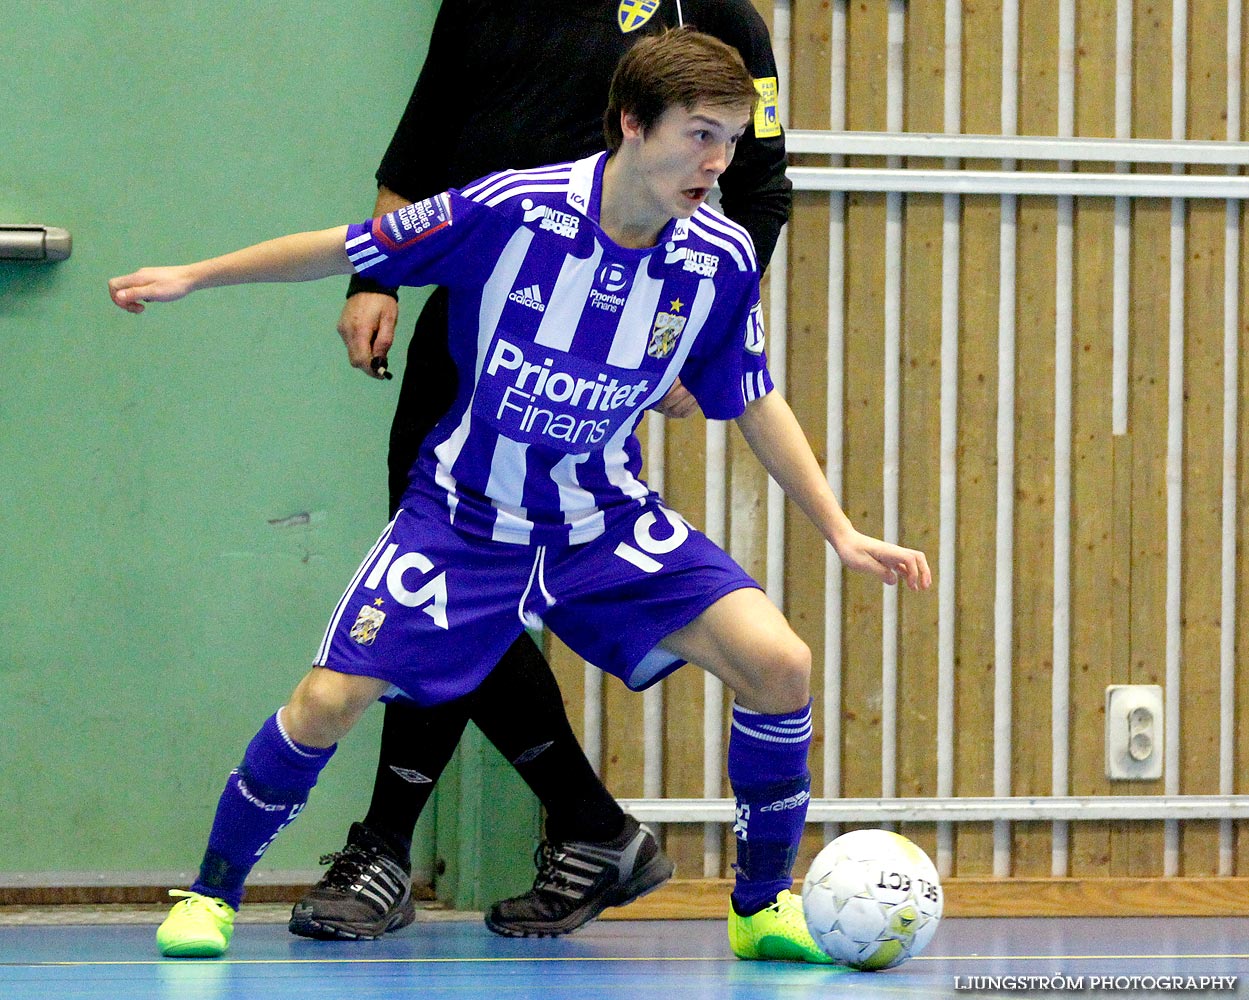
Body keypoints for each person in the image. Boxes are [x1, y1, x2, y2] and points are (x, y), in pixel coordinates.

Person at [109, 28, 931, 963]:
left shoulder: (720, 255)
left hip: (600, 524)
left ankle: (759, 908)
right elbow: (347, 247)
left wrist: (840, 529)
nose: (718, 161)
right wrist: (195, 276)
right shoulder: (514, 209)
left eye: (731, 139)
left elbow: (749, 392)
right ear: (631, 123)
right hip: (463, 522)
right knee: (328, 701)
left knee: (779, 664)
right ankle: (211, 894)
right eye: (700, 134)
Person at [305, 0, 793, 943]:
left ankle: (394, 846)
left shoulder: (722, 15)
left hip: (606, 345)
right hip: (474, 319)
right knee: (444, 569)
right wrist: (373, 278)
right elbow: (421, 144)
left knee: (471, 580)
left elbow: (763, 188)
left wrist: (701, 339)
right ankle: (584, 827)